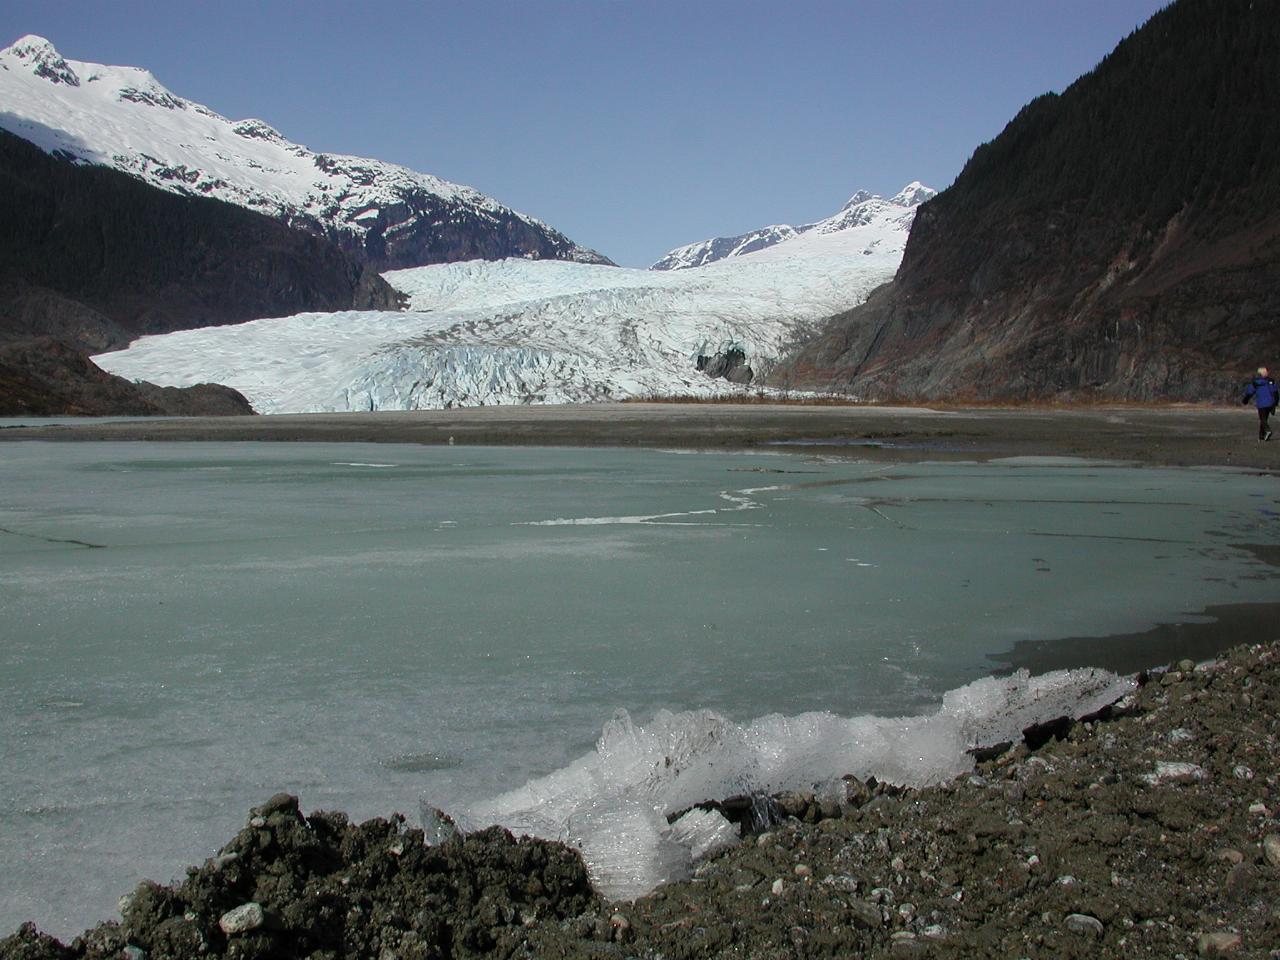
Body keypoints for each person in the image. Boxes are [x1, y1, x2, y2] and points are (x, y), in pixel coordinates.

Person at [1242, 366, 1278, 440]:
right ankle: (1262, 436)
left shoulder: (1256, 382)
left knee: (1262, 419)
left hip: (1262, 404)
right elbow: (1275, 392)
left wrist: (1245, 400)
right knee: (1264, 419)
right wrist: (1276, 402)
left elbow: (1249, 392)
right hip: (1270, 403)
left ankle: (1267, 431)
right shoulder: (1270, 381)